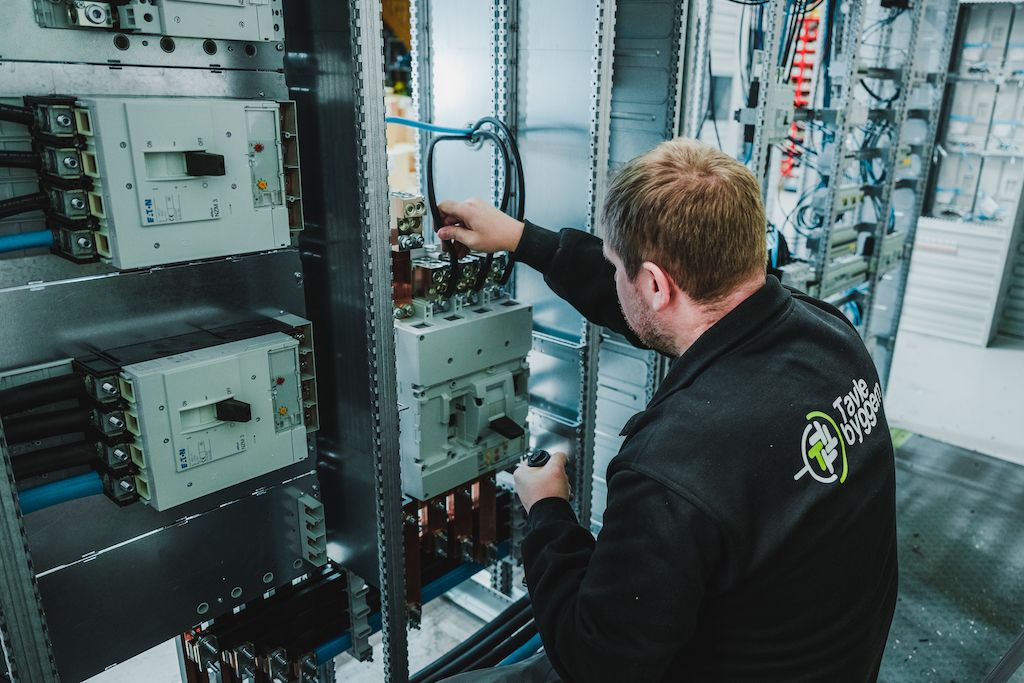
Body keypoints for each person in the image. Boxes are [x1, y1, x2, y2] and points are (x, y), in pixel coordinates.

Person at [434, 138, 898, 682]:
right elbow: (654, 309)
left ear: (654, 283)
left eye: (615, 266)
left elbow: (594, 662)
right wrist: (523, 240)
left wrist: (548, 512)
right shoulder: (828, 333)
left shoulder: (674, 464)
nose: (612, 277)